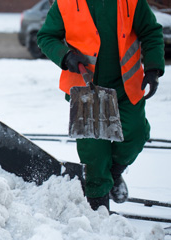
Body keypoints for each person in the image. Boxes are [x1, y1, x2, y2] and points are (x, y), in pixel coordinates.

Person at [37, 0, 165, 211]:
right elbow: (46, 37)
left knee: (135, 134)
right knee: (94, 154)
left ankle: (113, 174)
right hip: (87, 88)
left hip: (126, 86)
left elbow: (150, 31)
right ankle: (98, 209)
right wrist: (65, 55)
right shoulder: (65, 3)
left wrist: (153, 67)